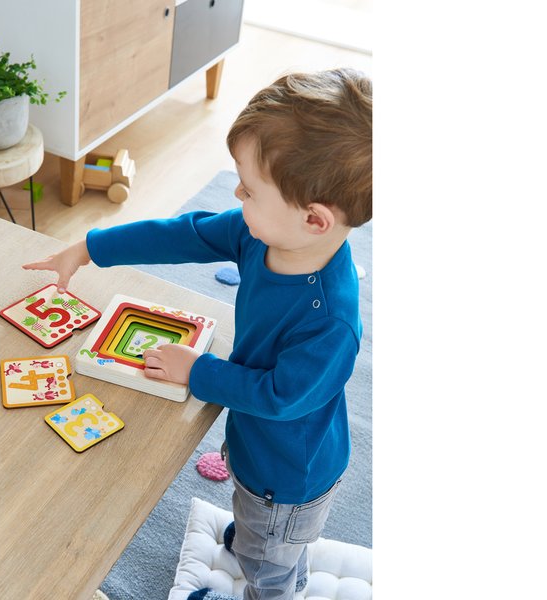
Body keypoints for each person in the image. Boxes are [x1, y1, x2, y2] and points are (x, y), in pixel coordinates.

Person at [23, 68, 372, 600]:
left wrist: (198, 370)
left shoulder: (331, 322)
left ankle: (267, 556)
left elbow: (278, 398)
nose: (236, 194)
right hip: (259, 452)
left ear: (314, 220)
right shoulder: (262, 234)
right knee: (257, 525)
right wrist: (91, 248)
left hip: (286, 479)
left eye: (249, 190)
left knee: (269, 568)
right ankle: (259, 539)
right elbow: (183, 234)